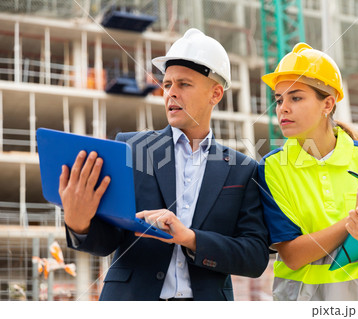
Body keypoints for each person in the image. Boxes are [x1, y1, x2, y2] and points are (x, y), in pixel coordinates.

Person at [60, 28, 269, 301]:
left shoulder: (243, 168)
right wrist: (78, 222)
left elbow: (254, 256)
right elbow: (107, 240)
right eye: (167, 84)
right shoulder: (131, 148)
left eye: (184, 84)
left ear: (215, 94)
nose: (171, 93)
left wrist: (191, 238)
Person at [257, 43, 358, 301]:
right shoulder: (271, 168)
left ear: (327, 104)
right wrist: (353, 222)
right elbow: (293, 255)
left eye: (295, 97)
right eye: (279, 99)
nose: (282, 108)